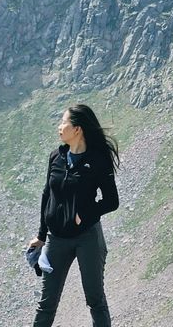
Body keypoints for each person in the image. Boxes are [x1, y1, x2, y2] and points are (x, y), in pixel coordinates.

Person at [28, 103, 120, 327]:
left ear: (77, 129)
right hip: (56, 239)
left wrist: (85, 215)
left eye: (64, 123)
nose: (59, 127)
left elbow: (111, 201)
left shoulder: (97, 160)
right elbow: (46, 194)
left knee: (95, 299)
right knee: (46, 304)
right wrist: (41, 235)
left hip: (87, 238)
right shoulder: (56, 157)